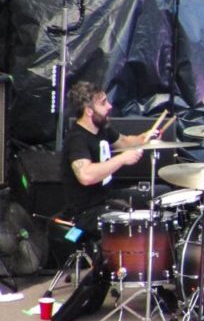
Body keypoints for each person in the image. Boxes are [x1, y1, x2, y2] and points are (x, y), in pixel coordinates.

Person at [61, 81, 155, 237]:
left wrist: (147, 136)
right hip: (86, 212)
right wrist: (122, 159)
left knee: (159, 195)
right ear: (89, 111)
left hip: (107, 198)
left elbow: (126, 142)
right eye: (103, 103)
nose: (110, 106)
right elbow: (85, 176)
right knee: (131, 223)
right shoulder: (77, 139)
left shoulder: (102, 128)